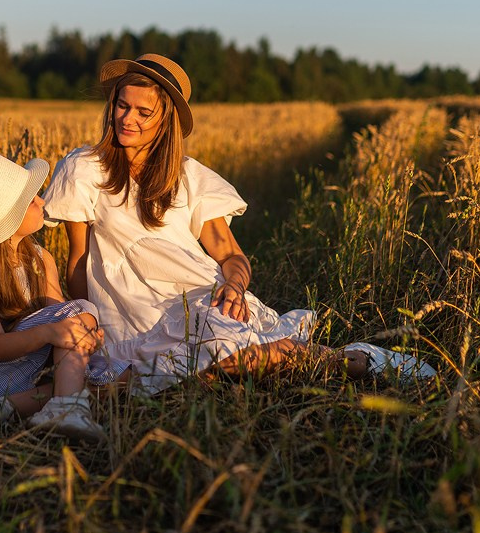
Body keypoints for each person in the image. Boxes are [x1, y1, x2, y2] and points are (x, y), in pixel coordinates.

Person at [42, 53, 435, 393]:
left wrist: (233, 284)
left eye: (144, 112)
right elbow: (78, 262)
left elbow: (230, 253)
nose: (128, 119)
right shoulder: (84, 168)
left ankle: (353, 360)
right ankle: (339, 361)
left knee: (234, 361)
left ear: (166, 122)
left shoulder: (188, 176)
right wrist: (85, 325)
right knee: (193, 373)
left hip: (194, 299)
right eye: (122, 106)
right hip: (125, 317)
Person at [0, 154, 129, 442]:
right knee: (82, 311)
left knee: (121, 378)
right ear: (10, 218)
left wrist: (85, 336)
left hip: (23, 362)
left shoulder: (40, 258)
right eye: (33, 199)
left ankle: (2, 408)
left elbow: (59, 311)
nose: (42, 202)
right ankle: (66, 409)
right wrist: (54, 330)